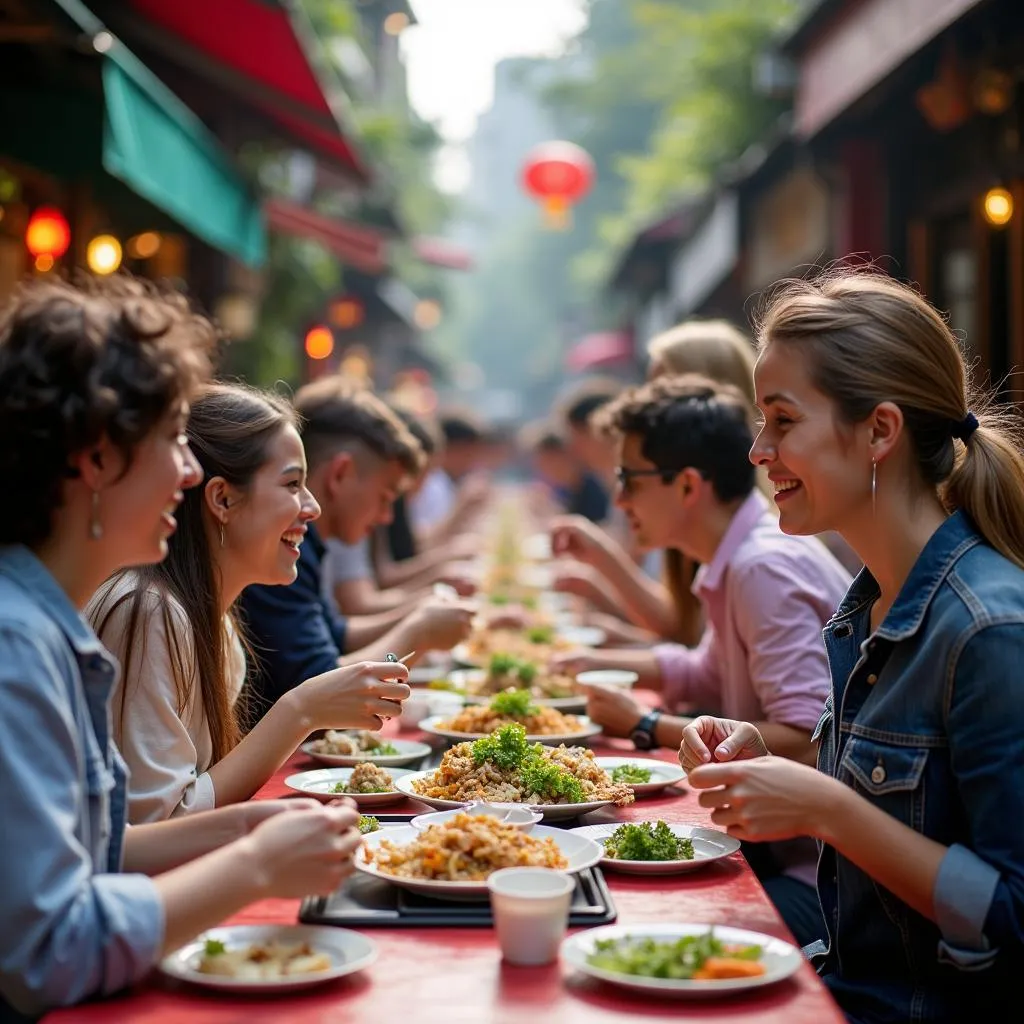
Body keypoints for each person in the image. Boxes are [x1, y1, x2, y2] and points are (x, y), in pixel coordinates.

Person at [0, 277, 376, 1020]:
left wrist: (247, 826)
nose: (192, 470)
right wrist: (254, 863)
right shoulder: (20, 645)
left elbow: (106, 848)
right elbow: (44, 955)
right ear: (97, 460)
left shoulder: (53, 625)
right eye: (172, 437)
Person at [682, 269, 1024, 1023]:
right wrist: (770, 760)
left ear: (880, 431)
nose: (757, 451)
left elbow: (1013, 917)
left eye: (781, 420)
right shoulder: (867, 603)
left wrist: (828, 809)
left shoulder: (989, 630)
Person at [556, 374, 851, 947]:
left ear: (688, 485)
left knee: (636, 924)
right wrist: (596, 659)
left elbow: (805, 734)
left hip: (821, 882)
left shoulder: (759, 567)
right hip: (781, 851)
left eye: (628, 479)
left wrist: (644, 724)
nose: (618, 500)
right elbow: (706, 672)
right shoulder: (738, 557)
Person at [89, 383, 412, 822]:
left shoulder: (215, 621)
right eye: (293, 484)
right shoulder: (148, 610)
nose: (311, 507)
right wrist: (299, 711)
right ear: (222, 498)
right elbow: (157, 823)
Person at [240, 377, 475, 721]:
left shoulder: (307, 543)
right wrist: (418, 632)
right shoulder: (276, 546)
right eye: (386, 497)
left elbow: (335, 634)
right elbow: (319, 685)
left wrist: (422, 612)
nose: (386, 517)